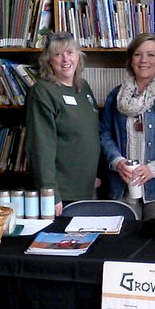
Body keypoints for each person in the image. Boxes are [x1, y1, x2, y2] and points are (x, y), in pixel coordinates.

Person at [99, 33, 155, 219]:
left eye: (150, 55)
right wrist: (117, 161)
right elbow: (104, 134)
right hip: (120, 185)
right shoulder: (115, 96)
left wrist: (153, 168)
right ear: (131, 59)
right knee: (122, 240)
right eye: (138, 54)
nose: (143, 60)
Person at [25, 31, 100, 216]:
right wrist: (50, 192)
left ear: (78, 56)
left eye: (70, 52)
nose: (65, 59)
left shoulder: (83, 88)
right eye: (58, 54)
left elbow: (90, 135)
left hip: (87, 189)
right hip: (63, 194)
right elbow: (40, 146)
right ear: (48, 60)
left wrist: (96, 176)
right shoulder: (43, 92)